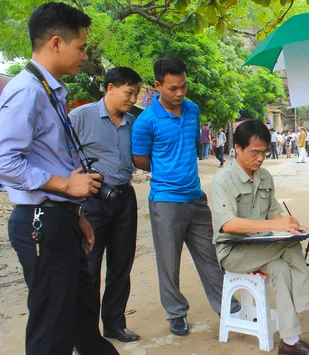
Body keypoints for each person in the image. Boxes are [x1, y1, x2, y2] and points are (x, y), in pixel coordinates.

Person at [0, 3, 119, 354]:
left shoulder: (50, 90)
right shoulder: (27, 91)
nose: (85, 55)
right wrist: (66, 186)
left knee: (82, 320)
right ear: (55, 43)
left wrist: (76, 213)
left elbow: (49, 157)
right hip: (41, 223)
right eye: (81, 47)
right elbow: (5, 160)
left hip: (60, 218)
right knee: (52, 330)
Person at [211, 120, 309, 355]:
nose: (260, 159)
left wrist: (290, 224)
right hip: (233, 251)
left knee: (280, 266)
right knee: (289, 247)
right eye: (254, 152)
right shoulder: (223, 180)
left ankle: (290, 341)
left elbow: (274, 210)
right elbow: (228, 224)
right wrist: (275, 225)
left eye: (263, 153)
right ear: (237, 148)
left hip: (262, 248)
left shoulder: (264, 176)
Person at [131, 57, 239, 336]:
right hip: (166, 201)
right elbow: (140, 159)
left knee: (210, 256)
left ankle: (227, 306)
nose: (180, 93)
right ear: (157, 86)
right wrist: (166, 171)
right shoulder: (146, 121)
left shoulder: (192, 110)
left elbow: (190, 145)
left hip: (195, 197)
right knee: (169, 262)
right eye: (172, 88)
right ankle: (176, 313)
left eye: (183, 86)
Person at [69, 67, 142, 343]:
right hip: (92, 201)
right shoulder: (80, 116)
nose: (133, 98)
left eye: (136, 93)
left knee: (121, 264)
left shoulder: (132, 122)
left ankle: (114, 323)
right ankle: (86, 333)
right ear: (110, 88)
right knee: (89, 265)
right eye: (128, 92)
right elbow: (61, 153)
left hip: (124, 197)